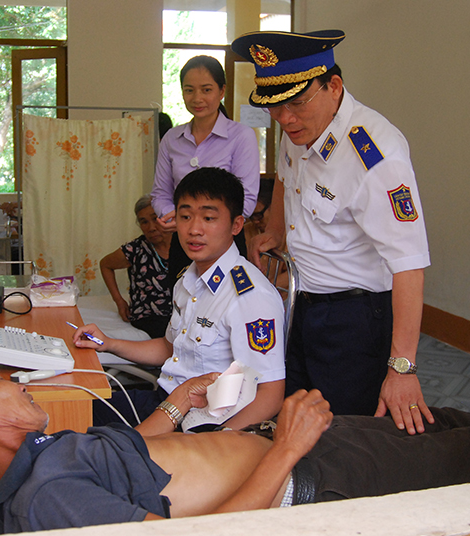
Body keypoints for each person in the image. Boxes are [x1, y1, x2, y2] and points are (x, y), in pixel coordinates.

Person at [0, 356, 470, 533]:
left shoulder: (43, 458)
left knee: (440, 421)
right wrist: (287, 450)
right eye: (1, 381)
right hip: (305, 474)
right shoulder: (47, 501)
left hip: (293, 444)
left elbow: (130, 451)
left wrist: (178, 404)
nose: (18, 382)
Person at [232, 30, 431, 433]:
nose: (285, 118)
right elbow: (286, 177)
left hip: (355, 318)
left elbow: (409, 264)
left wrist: (403, 368)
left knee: (345, 434)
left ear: (333, 86)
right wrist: (275, 230)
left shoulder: (375, 154)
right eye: (274, 107)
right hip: (302, 305)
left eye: (296, 103)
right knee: (293, 420)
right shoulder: (298, 130)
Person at [81, 167, 285, 431]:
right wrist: (107, 343)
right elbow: (169, 349)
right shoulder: (187, 280)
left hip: (202, 424)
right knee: (77, 410)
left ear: (236, 225)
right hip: (166, 401)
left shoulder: (250, 296)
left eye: (209, 218)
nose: (194, 229)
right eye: (186, 216)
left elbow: (270, 395)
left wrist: (214, 443)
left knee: (98, 443)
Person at [151, 55, 261, 283]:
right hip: (185, 242)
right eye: (189, 90)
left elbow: (247, 199)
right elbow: (160, 193)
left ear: (222, 91)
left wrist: (207, 223)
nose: (197, 98)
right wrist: (175, 217)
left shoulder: (241, 136)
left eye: (206, 90)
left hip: (224, 243)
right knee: (182, 300)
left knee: (226, 302)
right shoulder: (172, 138)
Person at [100, 194, 172, 339]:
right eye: (144, 222)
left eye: (155, 218)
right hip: (149, 317)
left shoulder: (185, 246)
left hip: (181, 316)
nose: (151, 228)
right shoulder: (135, 249)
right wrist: (119, 301)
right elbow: (105, 265)